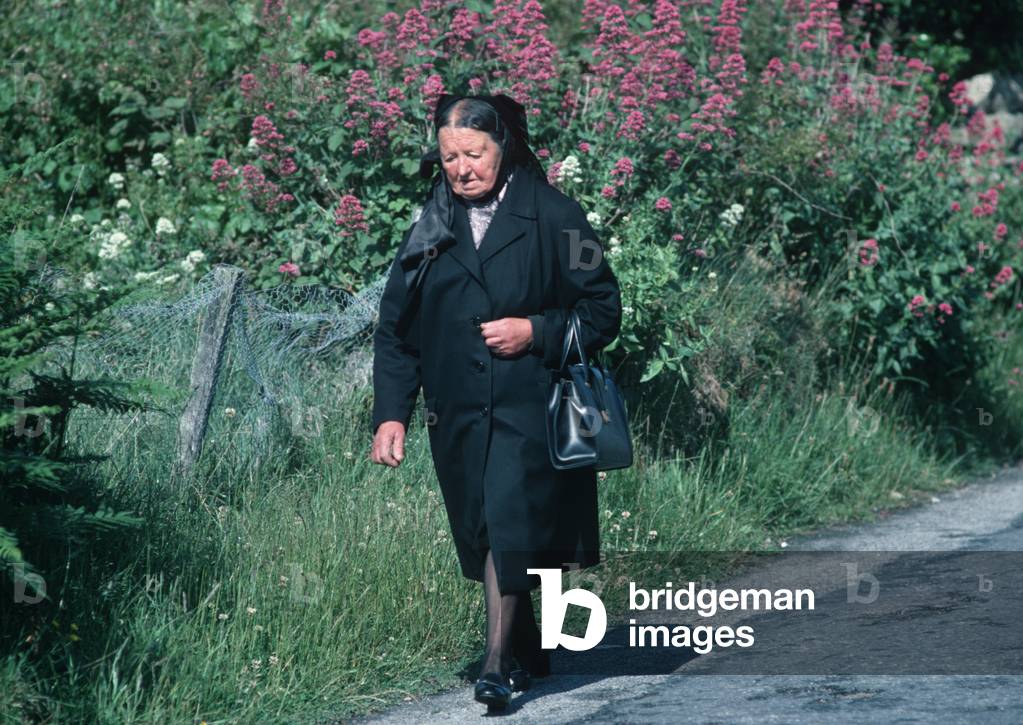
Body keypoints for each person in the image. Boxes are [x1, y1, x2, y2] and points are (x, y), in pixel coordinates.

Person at [369, 92, 622, 711]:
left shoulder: (558, 216)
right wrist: (391, 413)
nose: (461, 169)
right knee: (483, 530)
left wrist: (534, 331)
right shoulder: (430, 226)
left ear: (503, 147)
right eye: (450, 157)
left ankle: (497, 665)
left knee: (509, 521)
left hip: (529, 409)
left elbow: (603, 311)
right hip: (455, 415)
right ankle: (528, 644)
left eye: (474, 153)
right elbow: (396, 331)